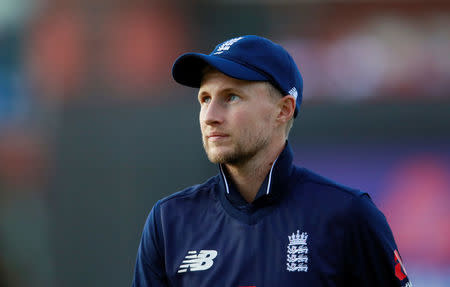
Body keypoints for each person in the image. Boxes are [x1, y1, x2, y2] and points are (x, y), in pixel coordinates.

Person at [132, 35, 411, 287]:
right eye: (205, 99)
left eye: (231, 97)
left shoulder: (348, 215)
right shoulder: (169, 221)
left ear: (283, 110)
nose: (210, 116)